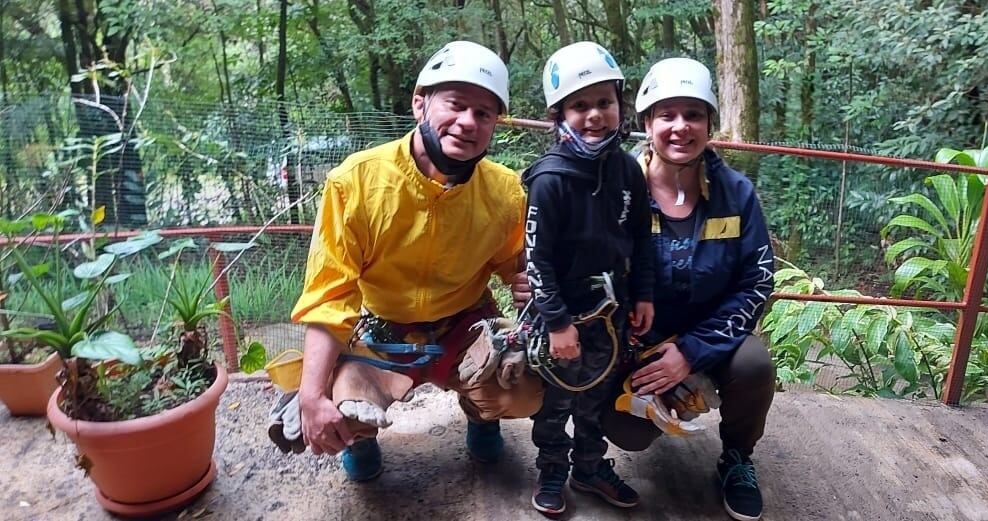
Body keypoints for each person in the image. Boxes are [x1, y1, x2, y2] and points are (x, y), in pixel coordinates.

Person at [289, 40, 542, 483]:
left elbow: (510, 262)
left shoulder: (505, 192)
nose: (468, 122)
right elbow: (330, 297)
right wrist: (311, 394)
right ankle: (359, 438)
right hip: (383, 328)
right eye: (457, 105)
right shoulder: (356, 182)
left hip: (463, 325)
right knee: (345, 401)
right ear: (420, 104)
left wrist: (519, 280)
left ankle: (483, 417)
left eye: (484, 114)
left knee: (520, 388)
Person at [603, 57, 777, 521]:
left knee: (755, 363)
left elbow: (757, 281)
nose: (681, 127)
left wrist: (693, 351)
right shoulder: (617, 191)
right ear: (646, 123)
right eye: (667, 115)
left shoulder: (735, 194)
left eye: (694, 114)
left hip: (709, 338)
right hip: (634, 344)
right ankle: (581, 455)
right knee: (631, 433)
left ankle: (737, 458)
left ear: (709, 124)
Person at [521, 41, 655, 516]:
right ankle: (553, 466)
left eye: (604, 102)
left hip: (611, 309)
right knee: (558, 395)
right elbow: (535, 259)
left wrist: (642, 294)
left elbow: (641, 235)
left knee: (598, 392)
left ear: (620, 103)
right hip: (563, 310)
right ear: (559, 114)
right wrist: (556, 322)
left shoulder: (627, 170)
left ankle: (591, 466)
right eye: (580, 106)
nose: (594, 115)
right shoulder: (549, 179)